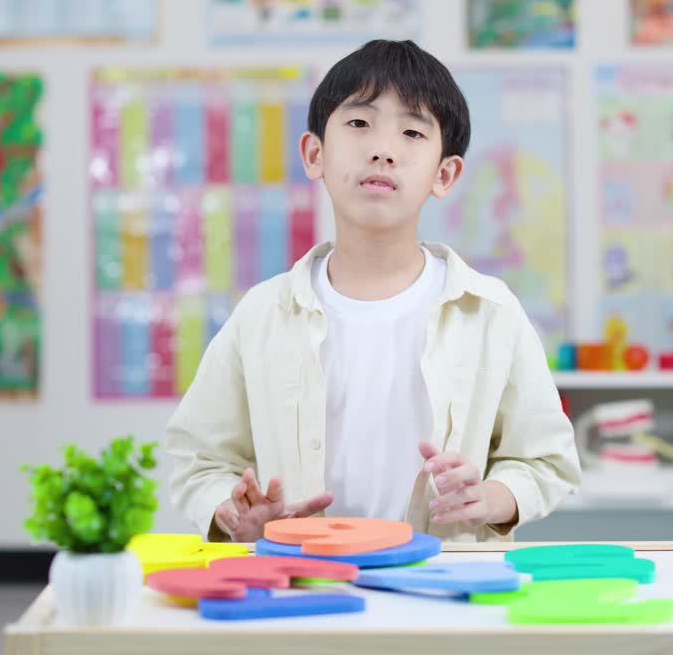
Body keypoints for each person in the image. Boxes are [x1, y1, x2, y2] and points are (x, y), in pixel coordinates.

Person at [165, 39, 580, 543]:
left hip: (444, 590)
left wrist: (489, 498)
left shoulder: (491, 312)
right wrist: (235, 515)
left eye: (411, 131)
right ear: (314, 154)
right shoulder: (262, 314)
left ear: (444, 173)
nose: (384, 149)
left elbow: (545, 458)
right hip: (302, 584)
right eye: (359, 124)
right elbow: (198, 457)